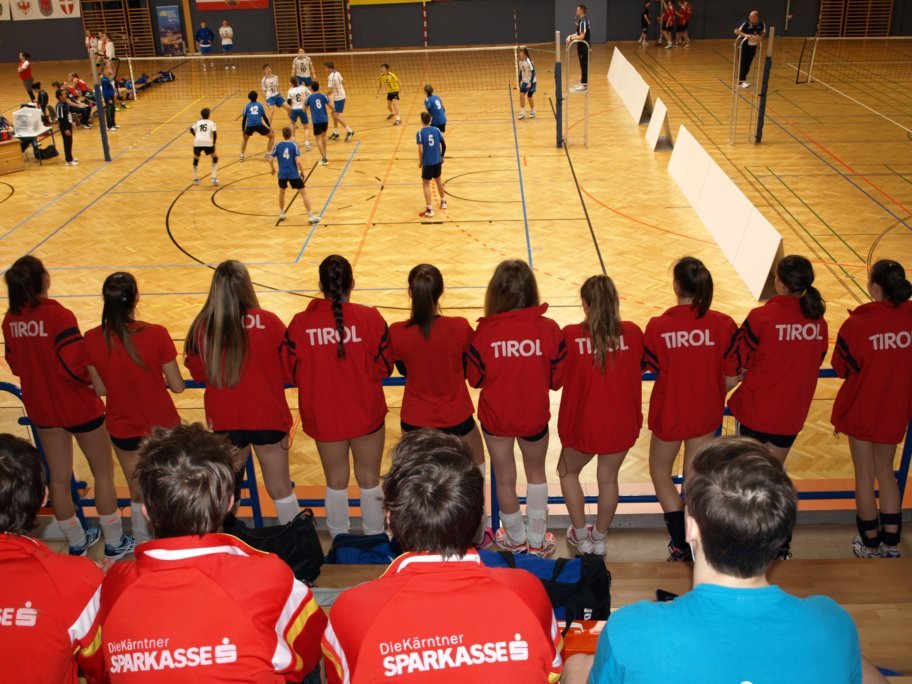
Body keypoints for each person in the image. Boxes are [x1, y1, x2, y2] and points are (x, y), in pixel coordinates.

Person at [580, 438, 862, 684]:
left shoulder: (630, 630)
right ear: (780, 533)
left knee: (576, 666)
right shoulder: (834, 624)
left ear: (690, 528)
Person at [84, 424, 327, 683]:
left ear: (146, 511)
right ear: (229, 504)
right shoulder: (269, 573)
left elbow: (98, 670)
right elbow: (309, 650)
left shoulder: (114, 585)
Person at [322, 430, 564, 683]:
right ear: (477, 519)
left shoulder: (352, 610)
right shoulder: (526, 591)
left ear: (389, 520)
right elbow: (551, 673)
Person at [2, 255, 134, 560]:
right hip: (78, 406)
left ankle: (76, 542)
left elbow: (15, 365)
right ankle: (114, 541)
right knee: (103, 473)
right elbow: (75, 365)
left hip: (42, 409)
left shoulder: (10, 320)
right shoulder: (58, 316)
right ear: (44, 280)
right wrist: (94, 381)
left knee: (58, 478)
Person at [185, 261, 302, 526]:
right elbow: (290, 370)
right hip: (267, 416)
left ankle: (225, 542)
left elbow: (198, 373)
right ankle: (297, 541)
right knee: (281, 489)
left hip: (225, 420)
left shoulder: (201, 327)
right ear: (247, 286)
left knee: (227, 492)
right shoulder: (270, 322)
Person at [284, 255, 392, 538]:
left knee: (335, 481)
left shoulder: (300, 323)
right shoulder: (370, 318)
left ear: (321, 285)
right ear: (352, 283)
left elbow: (290, 372)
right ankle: (376, 540)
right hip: (365, 413)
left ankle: (338, 543)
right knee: (369, 480)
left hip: (325, 415)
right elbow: (385, 367)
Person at [728, 255, 827, 559]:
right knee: (775, 474)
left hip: (757, 410)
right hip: (790, 414)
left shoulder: (761, 317)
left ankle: (749, 539)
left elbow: (740, 359)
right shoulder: (819, 323)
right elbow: (816, 359)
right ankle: (780, 541)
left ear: (779, 283)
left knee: (750, 478)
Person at [467, 260, 565, 557]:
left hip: (497, 417)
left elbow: (475, 379)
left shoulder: (484, 333)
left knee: (504, 477)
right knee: (536, 474)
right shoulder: (549, 329)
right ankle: (537, 541)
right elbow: (557, 380)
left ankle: (515, 538)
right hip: (533, 415)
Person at [644, 257, 739, 562]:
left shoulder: (658, 326)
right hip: (705, 413)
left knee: (660, 472)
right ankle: (696, 541)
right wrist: (710, 392)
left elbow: (650, 365)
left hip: (670, 411)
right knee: (694, 480)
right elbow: (733, 375)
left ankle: (681, 543)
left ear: (676, 285)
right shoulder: (724, 324)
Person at [84, 272, 185, 545]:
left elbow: (100, 389)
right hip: (162, 427)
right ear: (136, 298)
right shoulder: (157, 333)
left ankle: (142, 545)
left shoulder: (92, 338)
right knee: (169, 486)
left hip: (123, 426)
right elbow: (177, 386)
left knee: (137, 489)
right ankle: (173, 543)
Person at [0, 434, 105, 683]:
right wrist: (92, 586)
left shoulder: (76, 579)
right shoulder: (76, 581)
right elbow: (102, 669)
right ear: (44, 496)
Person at [831, 260, 911, 559]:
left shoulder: (858, 324)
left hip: (862, 409)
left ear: (875, 288)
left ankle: (870, 544)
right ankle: (892, 544)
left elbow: (840, 367)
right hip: (896, 408)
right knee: (886, 472)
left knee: (864, 475)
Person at [559, 276, 644, 557]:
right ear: (615, 302)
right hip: (621, 424)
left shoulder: (571, 335)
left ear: (585, 304)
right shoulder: (633, 333)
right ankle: (599, 536)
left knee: (567, 472)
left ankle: (581, 537)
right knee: (608, 479)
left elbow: (557, 375)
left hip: (582, 426)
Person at [389, 264, 485, 464]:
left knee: (417, 476)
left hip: (415, 420)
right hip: (456, 417)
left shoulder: (397, 332)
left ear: (410, 292)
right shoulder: (460, 327)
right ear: (440, 292)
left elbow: (404, 369)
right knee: (476, 466)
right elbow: (468, 366)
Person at [270, 126, 320, 224]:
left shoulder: (278, 145)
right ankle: (311, 216)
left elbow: (270, 159)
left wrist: (272, 169)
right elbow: (298, 161)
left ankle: (282, 213)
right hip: (293, 174)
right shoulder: (294, 145)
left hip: (282, 175)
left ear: (283, 135)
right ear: (291, 135)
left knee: (282, 193)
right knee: (304, 194)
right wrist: (302, 171)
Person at [416, 111, 446, 218]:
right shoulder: (436, 130)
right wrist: (442, 156)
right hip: (437, 161)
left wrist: (420, 161)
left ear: (421, 121)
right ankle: (443, 201)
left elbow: (421, 150)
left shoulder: (420, 133)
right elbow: (443, 144)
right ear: (430, 120)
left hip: (428, 163)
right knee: (438, 180)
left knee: (426, 184)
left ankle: (429, 209)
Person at [239, 90, 274, 161]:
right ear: (256, 97)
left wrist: (243, 130)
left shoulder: (246, 106)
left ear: (249, 98)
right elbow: (265, 118)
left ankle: (241, 155)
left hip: (249, 126)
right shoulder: (260, 105)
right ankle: (268, 154)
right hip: (259, 125)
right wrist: (269, 127)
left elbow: (244, 119)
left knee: (245, 139)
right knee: (272, 136)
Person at [188, 106, 219, 185]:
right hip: (208, 143)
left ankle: (195, 178)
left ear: (201, 115)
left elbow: (191, 129)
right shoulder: (212, 123)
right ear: (209, 115)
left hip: (197, 142)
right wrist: (214, 143)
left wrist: (196, 136)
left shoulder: (198, 122)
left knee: (196, 158)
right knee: (215, 157)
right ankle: (213, 177)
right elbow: (215, 134)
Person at [735, 10, 766, 87]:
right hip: (743, 46)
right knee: (743, 64)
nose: (750, 18)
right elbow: (736, 31)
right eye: (750, 17)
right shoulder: (745, 23)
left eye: (753, 17)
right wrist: (745, 35)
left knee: (748, 64)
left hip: (753, 46)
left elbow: (764, 32)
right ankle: (740, 82)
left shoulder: (761, 23)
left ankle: (743, 81)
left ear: (756, 17)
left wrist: (760, 37)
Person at [325, 61, 354, 141]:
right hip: (341, 95)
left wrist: (324, 95)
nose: (325, 69)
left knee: (336, 116)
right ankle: (336, 133)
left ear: (329, 68)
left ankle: (350, 131)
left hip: (339, 98)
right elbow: (344, 83)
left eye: (325, 68)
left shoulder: (331, 77)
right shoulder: (337, 73)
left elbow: (330, 90)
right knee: (332, 113)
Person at [305, 80, 331, 166]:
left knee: (318, 139)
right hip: (325, 120)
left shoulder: (309, 97)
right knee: (324, 136)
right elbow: (331, 106)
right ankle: (325, 154)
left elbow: (304, 110)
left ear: (311, 89)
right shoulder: (323, 96)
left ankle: (324, 159)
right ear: (318, 87)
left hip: (316, 121)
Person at [565, 5, 590, 91]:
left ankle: (584, 85)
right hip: (581, 45)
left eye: (577, 10)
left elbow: (582, 36)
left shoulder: (583, 21)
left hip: (584, 46)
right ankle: (583, 83)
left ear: (581, 11)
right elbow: (578, 33)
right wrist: (570, 36)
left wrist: (571, 39)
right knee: (582, 64)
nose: (576, 11)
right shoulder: (581, 21)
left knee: (584, 64)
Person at [285, 76, 312, 151]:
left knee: (292, 123)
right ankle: (307, 144)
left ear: (291, 83)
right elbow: (310, 96)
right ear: (297, 81)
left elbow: (288, 102)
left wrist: (292, 105)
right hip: (302, 109)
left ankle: (293, 140)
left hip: (294, 109)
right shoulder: (303, 88)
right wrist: (306, 104)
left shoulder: (290, 90)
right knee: (306, 127)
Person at [55, 89, 78, 167]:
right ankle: (68, 161)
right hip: (65, 127)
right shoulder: (59, 106)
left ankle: (70, 157)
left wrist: (72, 123)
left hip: (68, 125)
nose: (66, 95)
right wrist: (65, 129)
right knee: (67, 143)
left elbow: (68, 114)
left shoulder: (65, 104)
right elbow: (60, 119)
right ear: (60, 96)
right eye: (64, 94)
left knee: (70, 142)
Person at [423, 84, 447, 155]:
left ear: (425, 92)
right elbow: (443, 109)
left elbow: (429, 111)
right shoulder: (437, 97)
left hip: (436, 121)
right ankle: (441, 153)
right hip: (443, 120)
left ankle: (437, 154)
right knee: (439, 136)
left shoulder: (427, 100)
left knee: (433, 136)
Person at [517, 47, 536, 119]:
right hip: (524, 81)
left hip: (532, 81)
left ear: (525, 54)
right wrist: (519, 81)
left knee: (529, 96)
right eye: (519, 53)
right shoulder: (520, 62)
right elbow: (521, 71)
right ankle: (522, 112)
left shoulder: (529, 61)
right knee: (521, 95)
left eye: (521, 53)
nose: (520, 54)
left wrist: (530, 83)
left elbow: (533, 72)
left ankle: (533, 111)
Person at [100, 67, 118, 131]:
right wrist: (108, 98)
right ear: (104, 72)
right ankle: (109, 126)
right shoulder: (103, 80)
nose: (108, 71)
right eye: (107, 70)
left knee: (112, 111)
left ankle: (113, 124)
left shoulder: (107, 79)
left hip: (111, 96)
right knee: (109, 112)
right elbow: (105, 90)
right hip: (108, 97)